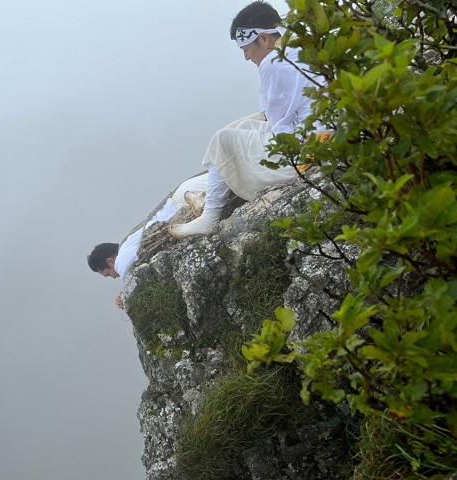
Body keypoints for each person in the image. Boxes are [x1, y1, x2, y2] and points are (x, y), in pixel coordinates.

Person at [169, 1, 325, 238]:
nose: (246, 57)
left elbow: (275, 120)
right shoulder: (300, 44)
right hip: (325, 135)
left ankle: (209, 217)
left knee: (224, 138)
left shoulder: (273, 62)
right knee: (245, 127)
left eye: (246, 49)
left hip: (308, 153)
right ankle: (209, 196)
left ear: (264, 39)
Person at [88, 173, 207, 308]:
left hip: (184, 200)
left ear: (110, 261)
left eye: (108, 274)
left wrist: (126, 297)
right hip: (184, 195)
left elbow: (129, 275)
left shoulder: (121, 260)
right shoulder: (129, 244)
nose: (114, 277)